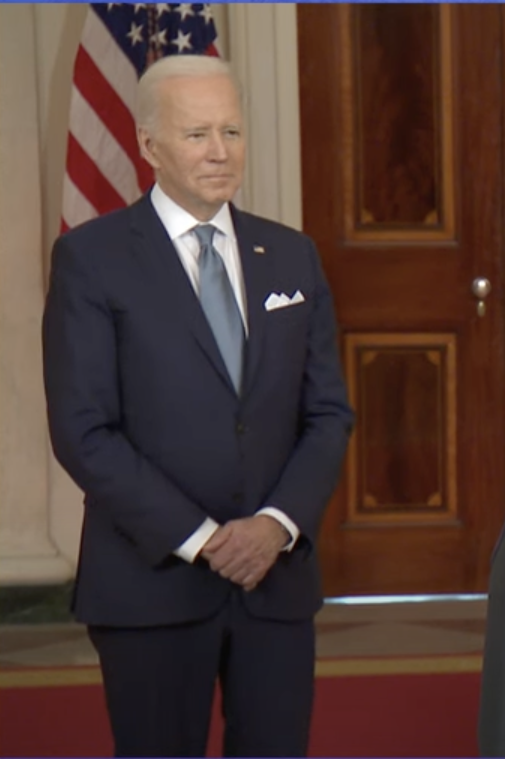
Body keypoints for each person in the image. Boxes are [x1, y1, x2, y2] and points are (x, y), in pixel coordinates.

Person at [42, 55, 353, 757]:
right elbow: (84, 429)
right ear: (148, 145)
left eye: (232, 131)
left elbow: (328, 411)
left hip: (275, 582)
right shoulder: (91, 259)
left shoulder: (292, 256)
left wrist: (274, 526)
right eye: (197, 135)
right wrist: (207, 538)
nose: (220, 152)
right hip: (150, 583)